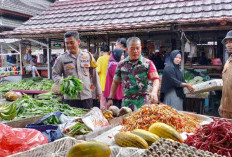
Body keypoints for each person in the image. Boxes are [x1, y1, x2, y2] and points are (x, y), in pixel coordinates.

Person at [106, 37, 160, 110]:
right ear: (127, 50)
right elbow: (115, 82)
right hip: (127, 104)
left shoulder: (148, 63)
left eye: (137, 48)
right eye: (132, 49)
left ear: (141, 48)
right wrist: (110, 98)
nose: (135, 51)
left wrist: (154, 92)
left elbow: (155, 79)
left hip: (143, 103)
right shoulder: (121, 64)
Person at [52, 31, 102, 109]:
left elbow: (95, 75)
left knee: (86, 119)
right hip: (70, 97)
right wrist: (63, 82)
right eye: (66, 43)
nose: (69, 45)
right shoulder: (61, 58)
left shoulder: (88, 56)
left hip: (86, 96)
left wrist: (99, 92)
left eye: (71, 42)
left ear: (78, 42)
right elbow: (55, 74)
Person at [219, 30, 232, 119]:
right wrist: (222, 104)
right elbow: (226, 86)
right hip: (226, 110)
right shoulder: (228, 61)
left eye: (231, 41)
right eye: (227, 42)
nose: (228, 44)